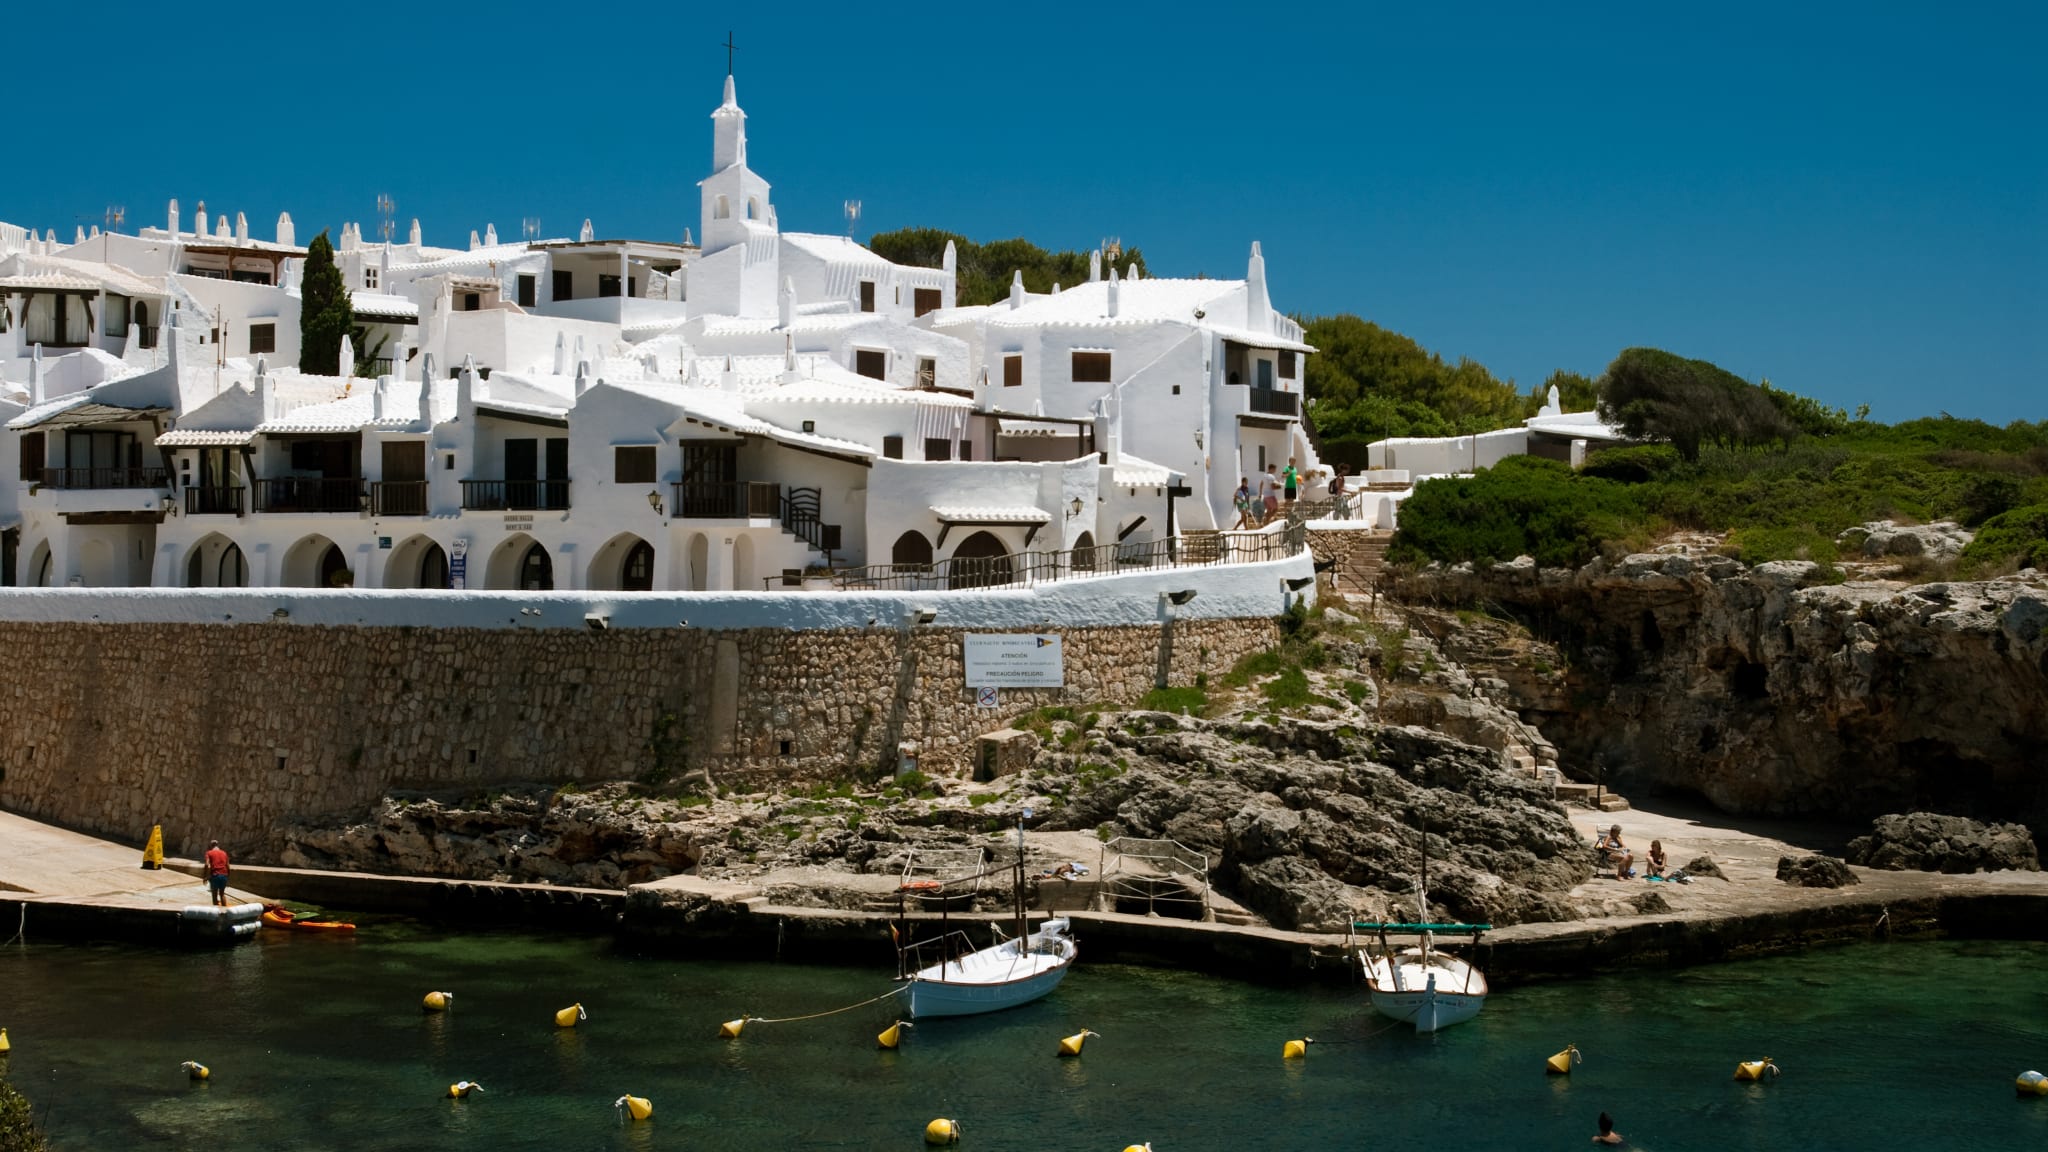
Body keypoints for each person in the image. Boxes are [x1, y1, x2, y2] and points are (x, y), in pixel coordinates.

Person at [204, 840, 231, 906]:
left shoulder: (209, 853)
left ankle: (217, 913)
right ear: (217, 845)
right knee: (222, 894)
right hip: (224, 875)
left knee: (214, 895)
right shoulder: (224, 853)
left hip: (215, 875)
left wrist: (205, 876)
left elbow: (207, 864)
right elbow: (228, 866)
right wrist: (227, 876)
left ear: (211, 846)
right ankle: (224, 912)